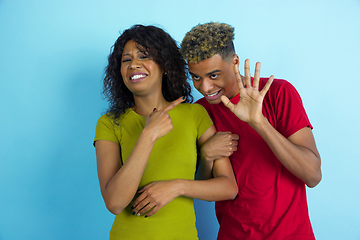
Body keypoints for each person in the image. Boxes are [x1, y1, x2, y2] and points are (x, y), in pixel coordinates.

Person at [93, 24, 238, 240]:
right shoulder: (109, 124)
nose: (134, 64)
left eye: (144, 56)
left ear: (165, 65)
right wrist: (148, 135)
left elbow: (228, 187)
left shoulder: (194, 115)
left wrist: (176, 187)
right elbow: (114, 203)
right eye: (126, 60)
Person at [180, 22, 322, 240]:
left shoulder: (278, 93)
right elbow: (203, 186)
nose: (205, 87)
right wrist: (207, 155)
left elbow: (312, 175)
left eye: (214, 75)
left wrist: (259, 123)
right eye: (196, 77)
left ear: (235, 62)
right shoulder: (200, 112)